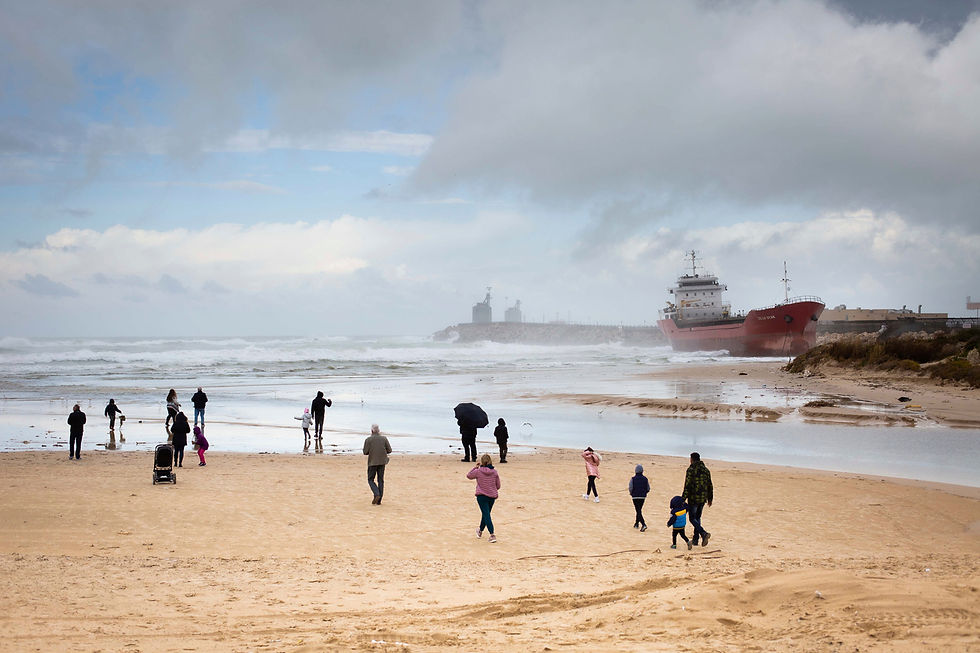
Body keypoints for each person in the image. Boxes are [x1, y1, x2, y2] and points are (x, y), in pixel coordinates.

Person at [466, 453, 500, 543]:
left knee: (486, 515)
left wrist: (475, 468)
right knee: (486, 514)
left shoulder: (478, 471)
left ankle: (492, 534)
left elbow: (469, 475)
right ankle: (480, 531)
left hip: (482, 496)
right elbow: (498, 486)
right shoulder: (494, 472)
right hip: (491, 496)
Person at [682, 452, 713, 547]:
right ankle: (695, 539)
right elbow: (710, 485)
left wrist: (683, 498)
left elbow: (687, 485)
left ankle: (703, 533)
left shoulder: (691, 470)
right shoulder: (706, 470)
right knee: (698, 517)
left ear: (692, 459)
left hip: (693, 498)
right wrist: (710, 498)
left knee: (692, 518)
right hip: (703, 498)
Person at [363, 424, 392, 505]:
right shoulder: (384, 438)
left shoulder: (368, 439)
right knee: (380, 480)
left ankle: (376, 494)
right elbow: (389, 450)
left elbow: (365, 452)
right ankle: (379, 500)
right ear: (379, 431)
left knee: (370, 479)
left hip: (372, 462)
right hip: (382, 462)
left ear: (371, 431)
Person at [629, 464, 650, 531]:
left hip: (635, 497)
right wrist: (645, 493)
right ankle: (636, 523)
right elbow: (648, 488)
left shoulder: (633, 479)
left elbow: (630, 487)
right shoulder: (645, 479)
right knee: (639, 510)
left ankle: (643, 524)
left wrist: (631, 493)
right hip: (642, 497)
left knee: (638, 510)